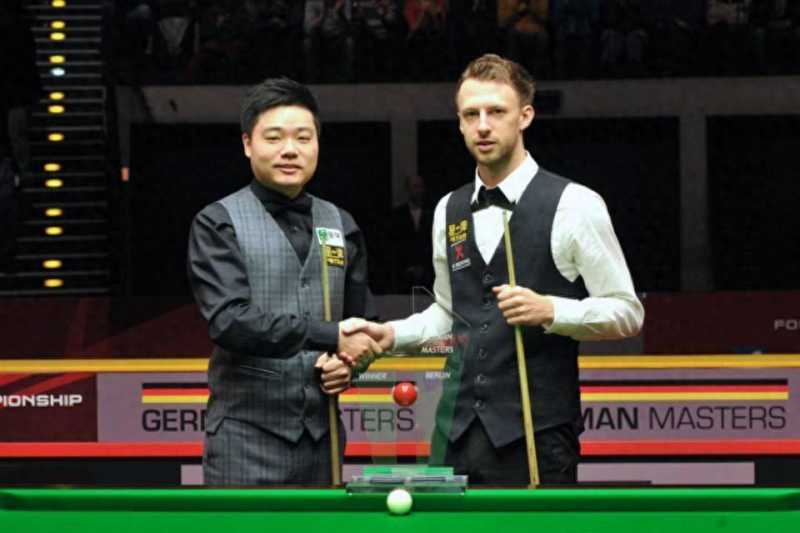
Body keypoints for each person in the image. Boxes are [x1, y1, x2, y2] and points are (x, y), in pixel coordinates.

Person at [345, 54, 644, 485]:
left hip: (537, 436)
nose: (483, 125)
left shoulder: (575, 204)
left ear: (525, 116)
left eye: (496, 112)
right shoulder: (448, 209)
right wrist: (390, 335)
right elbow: (450, 313)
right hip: (454, 431)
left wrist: (553, 311)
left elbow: (627, 312)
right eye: (471, 114)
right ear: (460, 123)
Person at [187, 77, 381, 485]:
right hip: (244, 441)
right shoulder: (217, 222)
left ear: (317, 145)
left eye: (303, 138)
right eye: (274, 137)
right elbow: (229, 321)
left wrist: (349, 364)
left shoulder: (341, 224)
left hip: (323, 441)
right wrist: (329, 335)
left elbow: (362, 325)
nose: (290, 150)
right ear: (247, 144)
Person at [387, 174, 434, 293]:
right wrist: (409, 267)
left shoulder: (432, 213)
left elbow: (432, 243)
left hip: (428, 273)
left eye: (420, 186)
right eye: (415, 186)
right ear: (408, 190)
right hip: (403, 273)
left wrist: (423, 267)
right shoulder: (398, 215)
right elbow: (395, 244)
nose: (418, 190)